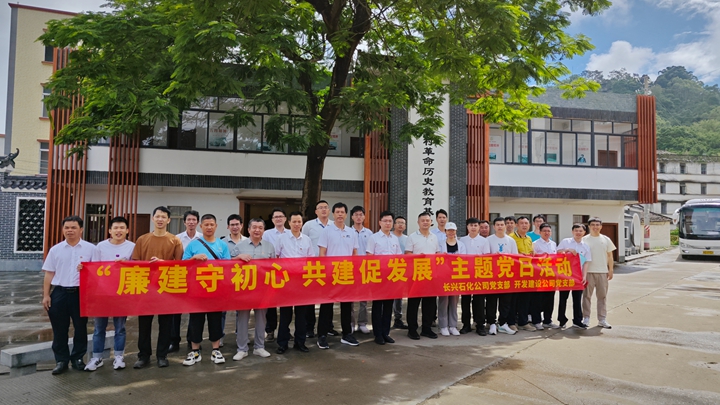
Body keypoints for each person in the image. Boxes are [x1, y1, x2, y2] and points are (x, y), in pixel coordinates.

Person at [42, 216, 96, 375]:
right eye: (66, 228)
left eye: (73, 227)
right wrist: (46, 295)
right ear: (62, 229)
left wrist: (87, 270)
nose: (70, 231)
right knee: (59, 328)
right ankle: (61, 360)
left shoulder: (91, 249)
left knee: (80, 327)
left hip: (80, 293)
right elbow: (49, 273)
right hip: (59, 292)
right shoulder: (55, 249)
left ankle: (78, 358)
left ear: (81, 229)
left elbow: (97, 272)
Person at [131, 206, 184, 369]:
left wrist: (163, 263)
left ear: (169, 220)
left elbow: (179, 265)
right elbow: (135, 263)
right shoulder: (142, 239)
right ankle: (143, 356)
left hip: (166, 288)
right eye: (158, 216)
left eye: (164, 217)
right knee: (144, 325)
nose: (160, 219)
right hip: (146, 288)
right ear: (153, 218)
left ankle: (162, 355)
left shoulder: (175, 240)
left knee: (165, 324)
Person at [84, 216, 135, 372]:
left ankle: (119, 356)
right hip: (102, 293)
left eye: (122, 228)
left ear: (127, 230)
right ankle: (97, 357)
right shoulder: (100, 246)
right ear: (110, 230)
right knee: (99, 327)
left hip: (122, 292)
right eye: (115, 228)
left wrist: (128, 264)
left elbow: (138, 267)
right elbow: (94, 268)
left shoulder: (132, 247)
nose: (119, 231)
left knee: (120, 327)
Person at [182, 214, 231, 366]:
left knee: (215, 320)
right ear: (201, 226)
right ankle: (195, 351)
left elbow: (228, 267)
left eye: (211, 224)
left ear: (216, 226)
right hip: (197, 290)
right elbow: (183, 265)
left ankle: (216, 350)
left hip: (216, 290)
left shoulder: (222, 245)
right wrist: (194, 258)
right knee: (195, 320)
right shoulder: (193, 245)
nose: (209, 227)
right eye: (206, 225)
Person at [316, 202, 359, 349]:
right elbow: (322, 253)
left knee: (346, 306)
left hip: (346, 273)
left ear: (346, 215)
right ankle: (322, 335)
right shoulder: (327, 231)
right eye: (337, 212)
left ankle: (347, 334)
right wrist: (324, 272)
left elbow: (354, 253)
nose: (340, 214)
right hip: (330, 274)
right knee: (326, 305)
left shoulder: (351, 232)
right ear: (333, 214)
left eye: (342, 212)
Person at [232, 218, 277, 360]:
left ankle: (259, 347)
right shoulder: (239, 246)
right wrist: (238, 257)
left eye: (260, 228)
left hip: (262, 289)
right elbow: (228, 265)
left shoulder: (270, 247)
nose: (257, 230)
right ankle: (242, 349)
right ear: (248, 229)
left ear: (264, 230)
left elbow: (274, 266)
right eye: (254, 227)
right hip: (244, 288)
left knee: (261, 318)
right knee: (242, 319)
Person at [275, 211, 315, 354]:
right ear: (289, 223)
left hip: (302, 282)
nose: (297, 224)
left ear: (302, 223)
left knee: (301, 315)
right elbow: (276, 258)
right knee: (285, 315)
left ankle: (300, 342)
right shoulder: (281, 238)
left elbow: (311, 260)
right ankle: (282, 343)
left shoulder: (307, 240)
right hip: (286, 281)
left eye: (299, 222)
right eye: (294, 222)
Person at [366, 211, 402, 345]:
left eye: (390, 221)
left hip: (391, 277)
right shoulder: (374, 238)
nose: (388, 223)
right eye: (385, 221)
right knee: (377, 306)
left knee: (388, 306)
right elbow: (369, 257)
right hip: (378, 277)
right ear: (380, 222)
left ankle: (386, 333)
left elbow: (398, 257)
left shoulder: (394, 239)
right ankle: (378, 334)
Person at [405, 212, 442, 340]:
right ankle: (412, 329)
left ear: (431, 222)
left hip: (430, 275)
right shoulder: (412, 237)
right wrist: (417, 257)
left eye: (427, 220)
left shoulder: (434, 237)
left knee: (430, 303)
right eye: (423, 220)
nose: (425, 222)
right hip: (416, 274)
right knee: (413, 303)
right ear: (418, 222)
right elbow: (407, 254)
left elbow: (437, 253)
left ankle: (426, 328)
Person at [170, 210, 201, 353]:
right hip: (180, 277)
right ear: (184, 222)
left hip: (197, 280)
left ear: (197, 222)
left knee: (194, 311)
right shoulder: (176, 238)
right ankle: (174, 341)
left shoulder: (202, 239)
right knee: (176, 311)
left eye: (194, 220)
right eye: (189, 220)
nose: (191, 222)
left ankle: (192, 339)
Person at [301, 200, 331, 338]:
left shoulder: (333, 225)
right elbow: (303, 241)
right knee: (310, 298)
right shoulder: (309, 225)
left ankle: (328, 326)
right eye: (320, 208)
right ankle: (309, 327)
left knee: (328, 298)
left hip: (330, 267)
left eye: (325, 207)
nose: (323, 210)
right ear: (316, 211)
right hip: (312, 266)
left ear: (329, 210)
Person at [459, 218, 492, 336]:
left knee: (479, 301)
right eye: (471, 225)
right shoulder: (462, 240)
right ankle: (466, 325)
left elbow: (487, 258)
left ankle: (480, 325)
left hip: (479, 274)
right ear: (467, 227)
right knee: (465, 301)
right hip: (465, 275)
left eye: (475, 225)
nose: (473, 227)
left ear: (478, 227)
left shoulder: (484, 241)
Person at [262, 207, 290, 343]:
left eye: (281, 216)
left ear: (285, 219)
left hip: (287, 273)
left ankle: (285, 331)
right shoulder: (267, 234)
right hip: (271, 271)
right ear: (272, 220)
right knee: (271, 303)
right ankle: (270, 330)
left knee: (287, 303)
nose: (278, 219)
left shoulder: (291, 233)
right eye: (276, 217)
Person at [582, 217, 616, 329]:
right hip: (588, 272)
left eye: (597, 225)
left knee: (602, 296)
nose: (595, 227)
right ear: (589, 226)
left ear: (601, 226)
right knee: (586, 296)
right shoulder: (584, 239)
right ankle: (586, 318)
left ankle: (602, 319)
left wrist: (610, 270)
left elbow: (610, 256)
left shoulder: (606, 239)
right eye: (593, 225)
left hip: (602, 271)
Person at [486, 217, 518, 335]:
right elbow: (485, 256)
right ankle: (492, 323)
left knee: (505, 301)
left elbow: (515, 258)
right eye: (497, 225)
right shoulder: (488, 240)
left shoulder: (511, 240)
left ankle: (503, 323)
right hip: (493, 275)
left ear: (505, 226)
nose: (500, 227)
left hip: (506, 275)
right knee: (491, 301)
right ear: (494, 227)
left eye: (502, 224)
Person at [557, 223, 592, 329]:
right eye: (576, 230)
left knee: (577, 299)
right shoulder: (566, 241)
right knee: (563, 298)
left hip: (578, 276)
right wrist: (567, 250)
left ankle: (577, 320)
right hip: (565, 275)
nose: (578, 233)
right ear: (572, 231)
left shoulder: (586, 246)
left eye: (581, 231)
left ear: (584, 232)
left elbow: (586, 262)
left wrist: (584, 276)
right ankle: (562, 320)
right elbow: (557, 253)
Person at [510, 216, 539, 332]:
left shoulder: (529, 238)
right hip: (514, 273)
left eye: (526, 223)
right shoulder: (511, 238)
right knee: (513, 299)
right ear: (516, 225)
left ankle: (523, 322)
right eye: (521, 223)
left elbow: (531, 252)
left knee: (525, 299)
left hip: (527, 273)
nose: (524, 225)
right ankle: (511, 322)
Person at [438, 222, 466, 336]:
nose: (451, 232)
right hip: (444, 276)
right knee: (443, 301)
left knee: (454, 301)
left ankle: (453, 325)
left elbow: (464, 259)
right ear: (445, 232)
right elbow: (437, 260)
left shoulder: (461, 245)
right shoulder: (440, 244)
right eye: (449, 230)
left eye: (453, 230)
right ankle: (443, 326)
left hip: (456, 276)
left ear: (456, 231)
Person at [350, 205, 374, 334]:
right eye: (356, 215)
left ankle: (363, 323)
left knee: (364, 298)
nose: (359, 217)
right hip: (351, 269)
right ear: (352, 217)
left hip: (365, 268)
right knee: (350, 298)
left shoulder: (369, 233)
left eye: (361, 214)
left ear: (364, 217)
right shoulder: (348, 232)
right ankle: (351, 323)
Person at [532, 223, 560, 330]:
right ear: (540, 232)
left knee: (550, 299)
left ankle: (548, 321)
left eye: (548, 231)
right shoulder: (535, 244)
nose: (547, 233)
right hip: (539, 276)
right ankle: (537, 321)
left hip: (551, 276)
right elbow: (533, 259)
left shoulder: (553, 244)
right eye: (544, 231)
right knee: (538, 299)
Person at [392, 216, 409, 330]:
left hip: (401, 270)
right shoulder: (389, 236)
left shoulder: (407, 239)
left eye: (403, 223)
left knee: (399, 296)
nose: (400, 225)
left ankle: (398, 319)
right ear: (394, 225)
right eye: (398, 222)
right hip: (389, 269)